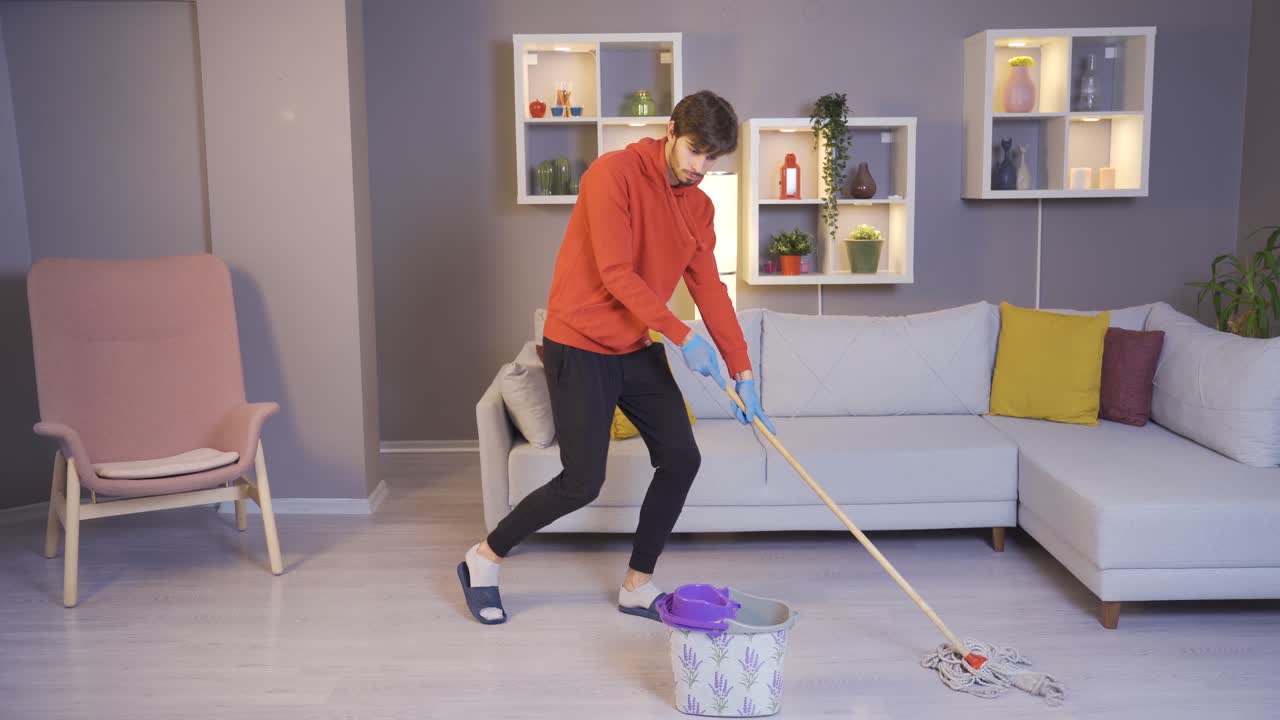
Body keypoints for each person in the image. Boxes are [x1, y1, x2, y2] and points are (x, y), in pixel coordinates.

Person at [457, 90, 775, 625]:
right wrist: (681, 335)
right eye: (695, 150)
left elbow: (710, 290)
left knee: (682, 457)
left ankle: (637, 584)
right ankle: (483, 559)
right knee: (582, 482)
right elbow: (616, 273)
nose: (701, 167)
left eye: (713, 158)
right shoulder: (612, 175)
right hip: (578, 344)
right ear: (671, 130)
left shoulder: (700, 205)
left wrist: (742, 369)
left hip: (633, 346)